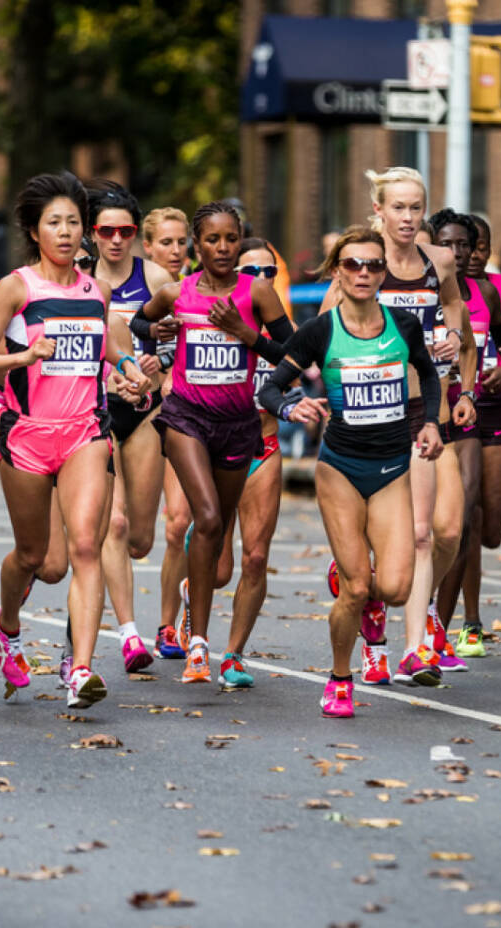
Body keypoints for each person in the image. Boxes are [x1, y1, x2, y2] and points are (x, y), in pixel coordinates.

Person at [0, 171, 150, 710]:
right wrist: (22, 358)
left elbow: (111, 348)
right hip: (26, 436)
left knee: (86, 547)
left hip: (86, 433)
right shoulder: (17, 288)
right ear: (33, 229)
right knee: (38, 560)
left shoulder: (97, 290)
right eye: (56, 223)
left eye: (74, 223)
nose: (68, 233)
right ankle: (7, 624)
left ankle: (82, 671)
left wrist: (131, 370)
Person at [259, 226, 442, 716]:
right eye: (353, 265)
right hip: (340, 467)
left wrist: (430, 423)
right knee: (358, 586)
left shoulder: (402, 326)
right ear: (337, 272)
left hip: (392, 468)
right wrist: (292, 408)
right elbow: (272, 388)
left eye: (373, 265)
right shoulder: (321, 331)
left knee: (397, 588)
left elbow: (426, 371)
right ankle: (340, 678)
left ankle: (366, 597)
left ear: (384, 272)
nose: (364, 273)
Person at [321, 168, 476, 687]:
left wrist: (452, 337)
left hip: (426, 408)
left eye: (417, 208)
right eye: (399, 209)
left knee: (450, 528)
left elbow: (455, 305)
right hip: (379, 416)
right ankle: (410, 648)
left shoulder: (439, 261)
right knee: (418, 532)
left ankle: (419, 603)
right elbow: (323, 331)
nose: (409, 218)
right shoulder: (363, 263)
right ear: (379, 212)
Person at [132, 201, 290, 686]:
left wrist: (248, 335)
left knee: (216, 539)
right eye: (213, 240)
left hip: (239, 423)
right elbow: (140, 322)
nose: (223, 248)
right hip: (186, 418)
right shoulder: (177, 292)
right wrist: (155, 332)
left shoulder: (257, 292)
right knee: (206, 517)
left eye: (231, 239)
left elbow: (291, 352)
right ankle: (198, 643)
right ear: (197, 246)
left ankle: (201, 622)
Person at [428, 211, 501, 656]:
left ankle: (444, 623)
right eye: (448, 244)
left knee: (484, 530)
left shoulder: (492, 292)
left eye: (466, 245)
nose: (459, 253)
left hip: (482, 408)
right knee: (460, 515)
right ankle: (448, 629)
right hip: (428, 413)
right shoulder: (413, 289)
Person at [86, 181, 176, 672]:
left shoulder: (157, 276)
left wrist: (158, 363)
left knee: (140, 536)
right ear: (92, 233)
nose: (117, 239)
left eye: (126, 231)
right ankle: (130, 637)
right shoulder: (77, 280)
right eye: (107, 230)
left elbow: (179, 343)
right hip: (93, 409)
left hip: (145, 410)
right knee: (114, 523)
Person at [206, 237, 292, 689]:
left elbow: (299, 358)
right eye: (251, 273)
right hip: (218, 448)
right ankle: (192, 598)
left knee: (256, 557)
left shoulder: (277, 327)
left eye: (269, 273)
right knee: (217, 570)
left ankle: (234, 654)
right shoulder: (207, 315)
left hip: (264, 447)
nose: (261, 281)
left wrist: (252, 337)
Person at [139, 206, 196, 656]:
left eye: (181, 243)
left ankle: (167, 624)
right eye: (166, 243)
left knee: (179, 523)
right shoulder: (140, 289)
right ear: (148, 246)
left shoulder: (201, 289)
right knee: (132, 533)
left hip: (186, 415)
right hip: (138, 415)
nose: (175, 252)